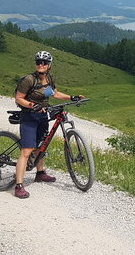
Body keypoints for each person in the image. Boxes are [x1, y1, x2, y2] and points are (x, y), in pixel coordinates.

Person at [13, 50, 84, 199]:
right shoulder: (28, 80)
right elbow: (18, 98)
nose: (41, 64)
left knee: (41, 146)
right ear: (35, 63)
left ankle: (40, 173)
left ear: (49, 65)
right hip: (29, 117)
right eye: (38, 62)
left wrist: (72, 97)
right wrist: (32, 105)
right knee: (27, 151)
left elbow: (54, 94)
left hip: (42, 116)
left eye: (44, 62)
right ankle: (18, 185)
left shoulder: (49, 79)